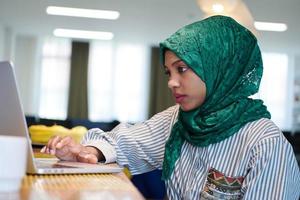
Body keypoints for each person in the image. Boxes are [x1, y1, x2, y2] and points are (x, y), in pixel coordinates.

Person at [41, 15, 300, 199]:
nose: (172, 82)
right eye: (168, 72)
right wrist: (86, 151)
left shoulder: (266, 144)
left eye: (182, 69)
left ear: (218, 68)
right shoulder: (179, 120)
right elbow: (125, 143)